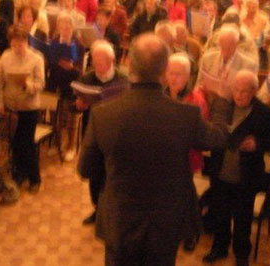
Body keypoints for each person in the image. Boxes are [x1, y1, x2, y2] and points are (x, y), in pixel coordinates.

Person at [79, 33, 227, 266]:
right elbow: (218, 138)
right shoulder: (186, 116)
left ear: (129, 66)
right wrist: (221, 100)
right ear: (165, 71)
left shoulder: (103, 114)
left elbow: (86, 169)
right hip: (165, 223)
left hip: (120, 219)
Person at [203, 70, 270, 266]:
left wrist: (257, 144)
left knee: (243, 218)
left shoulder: (264, 113)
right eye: (236, 89)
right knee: (220, 213)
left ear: (254, 91)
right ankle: (219, 248)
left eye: (244, 91)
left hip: (246, 175)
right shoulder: (224, 106)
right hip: (221, 171)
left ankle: (241, 254)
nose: (239, 94)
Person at [76, 40, 129, 226]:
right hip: (93, 131)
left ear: (111, 60)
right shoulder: (87, 78)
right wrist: (79, 105)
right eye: (94, 60)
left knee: (113, 174)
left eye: (100, 61)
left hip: (116, 134)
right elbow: (78, 105)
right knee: (94, 172)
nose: (96, 64)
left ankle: (113, 212)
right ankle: (97, 209)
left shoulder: (123, 80)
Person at [165, 52, 209, 251]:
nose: (173, 78)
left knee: (184, 194)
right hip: (163, 156)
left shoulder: (196, 100)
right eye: (170, 73)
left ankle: (190, 232)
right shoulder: (161, 95)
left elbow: (200, 133)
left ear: (188, 76)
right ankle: (175, 230)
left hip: (186, 156)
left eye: (179, 74)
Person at [0, 25, 45, 193]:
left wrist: (26, 85)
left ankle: (34, 178)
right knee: (15, 143)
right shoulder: (5, 57)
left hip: (29, 108)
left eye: (20, 43)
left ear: (26, 42)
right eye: (14, 44)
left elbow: (40, 84)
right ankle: (19, 174)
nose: (17, 48)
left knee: (27, 144)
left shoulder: (36, 59)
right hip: (11, 107)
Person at [47, 12, 85, 161]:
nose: (65, 29)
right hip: (55, 81)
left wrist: (71, 67)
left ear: (72, 27)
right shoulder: (53, 42)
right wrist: (56, 62)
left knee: (70, 117)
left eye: (68, 27)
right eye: (62, 27)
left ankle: (71, 147)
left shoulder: (78, 45)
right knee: (55, 117)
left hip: (71, 84)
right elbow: (49, 63)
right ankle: (57, 144)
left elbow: (80, 70)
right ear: (58, 27)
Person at [197, 25, 258, 100]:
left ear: (237, 44)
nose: (226, 48)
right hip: (208, 100)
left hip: (232, 103)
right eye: (223, 44)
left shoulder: (248, 65)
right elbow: (199, 83)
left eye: (230, 45)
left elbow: (249, 94)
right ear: (219, 43)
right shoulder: (208, 58)